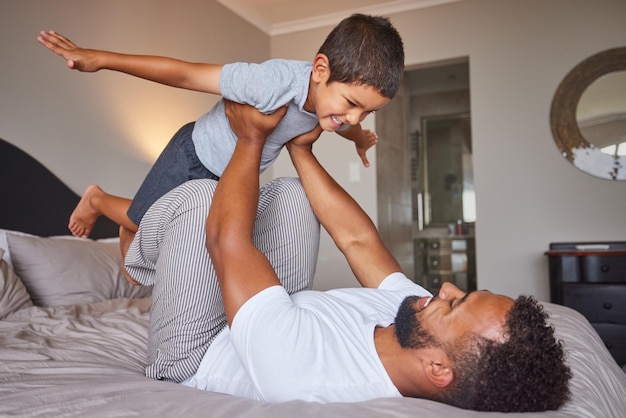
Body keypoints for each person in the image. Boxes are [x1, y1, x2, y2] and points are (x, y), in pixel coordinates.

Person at [122, 100, 572, 412]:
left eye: (456, 305)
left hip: (195, 353)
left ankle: (130, 251)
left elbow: (227, 241)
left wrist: (250, 138)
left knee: (203, 200)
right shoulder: (416, 325)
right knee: (295, 197)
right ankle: (117, 210)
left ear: (437, 368)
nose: (447, 289)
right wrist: (302, 148)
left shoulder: (309, 374)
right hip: (263, 321)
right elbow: (358, 240)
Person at [36, 13, 404, 239]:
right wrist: (100, 59)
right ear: (320, 70)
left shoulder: (331, 108)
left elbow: (344, 123)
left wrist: (358, 137)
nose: (354, 117)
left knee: (204, 241)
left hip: (232, 177)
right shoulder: (270, 82)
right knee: (143, 223)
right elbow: (185, 74)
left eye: (366, 113)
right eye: (353, 105)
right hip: (193, 157)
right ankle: (97, 199)